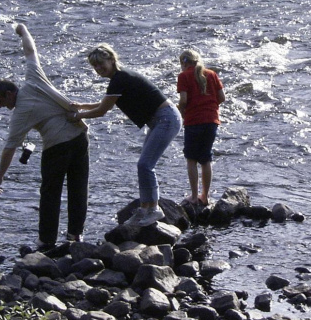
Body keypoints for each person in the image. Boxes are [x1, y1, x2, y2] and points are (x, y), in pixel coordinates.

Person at [0, 24, 89, 250]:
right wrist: (24, 30)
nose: (1, 107)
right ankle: (75, 235)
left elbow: (9, 149)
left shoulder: (21, 113)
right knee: (78, 187)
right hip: (80, 137)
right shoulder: (34, 78)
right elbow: (30, 51)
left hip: (57, 148)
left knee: (50, 193)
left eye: (1, 101)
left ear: (9, 93)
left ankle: (46, 240)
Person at [69, 44, 182, 227]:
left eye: (101, 64)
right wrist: (82, 105)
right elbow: (106, 103)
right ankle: (145, 209)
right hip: (162, 120)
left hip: (166, 119)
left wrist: (77, 116)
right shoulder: (119, 79)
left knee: (145, 165)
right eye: (94, 66)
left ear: (112, 59)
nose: (98, 69)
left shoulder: (119, 79)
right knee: (143, 166)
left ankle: (154, 209)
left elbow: (102, 111)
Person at [177, 49, 225, 205]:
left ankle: (193, 196)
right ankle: (205, 196)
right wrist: (209, 107)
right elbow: (221, 98)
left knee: (191, 158)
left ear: (184, 63)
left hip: (193, 121)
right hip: (211, 121)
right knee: (206, 158)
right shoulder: (211, 74)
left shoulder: (183, 76)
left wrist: (179, 110)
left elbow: (183, 100)